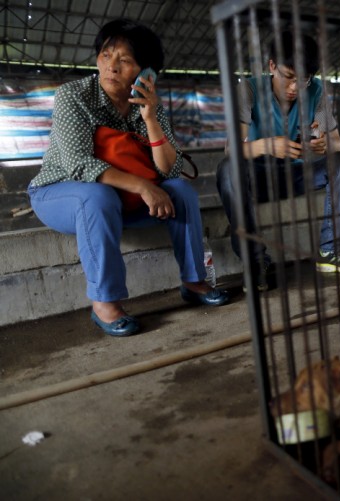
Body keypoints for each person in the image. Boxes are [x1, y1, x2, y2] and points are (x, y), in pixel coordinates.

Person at [27, 19, 229, 337]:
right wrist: (142, 186)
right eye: (107, 55)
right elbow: (79, 165)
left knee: (181, 191)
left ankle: (194, 280)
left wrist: (150, 118)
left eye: (125, 60)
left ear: (145, 71)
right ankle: (105, 302)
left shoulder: (149, 105)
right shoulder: (74, 96)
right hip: (60, 192)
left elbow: (170, 170)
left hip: (121, 199)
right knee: (96, 196)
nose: (112, 66)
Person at [216, 30, 340, 291]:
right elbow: (232, 150)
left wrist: (323, 145)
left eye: (303, 80)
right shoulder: (249, 90)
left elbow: (337, 142)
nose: (294, 88)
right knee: (228, 169)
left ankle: (332, 249)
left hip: (300, 173)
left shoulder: (317, 91)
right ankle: (255, 263)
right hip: (261, 175)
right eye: (288, 77)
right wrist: (267, 145)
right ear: (272, 66)